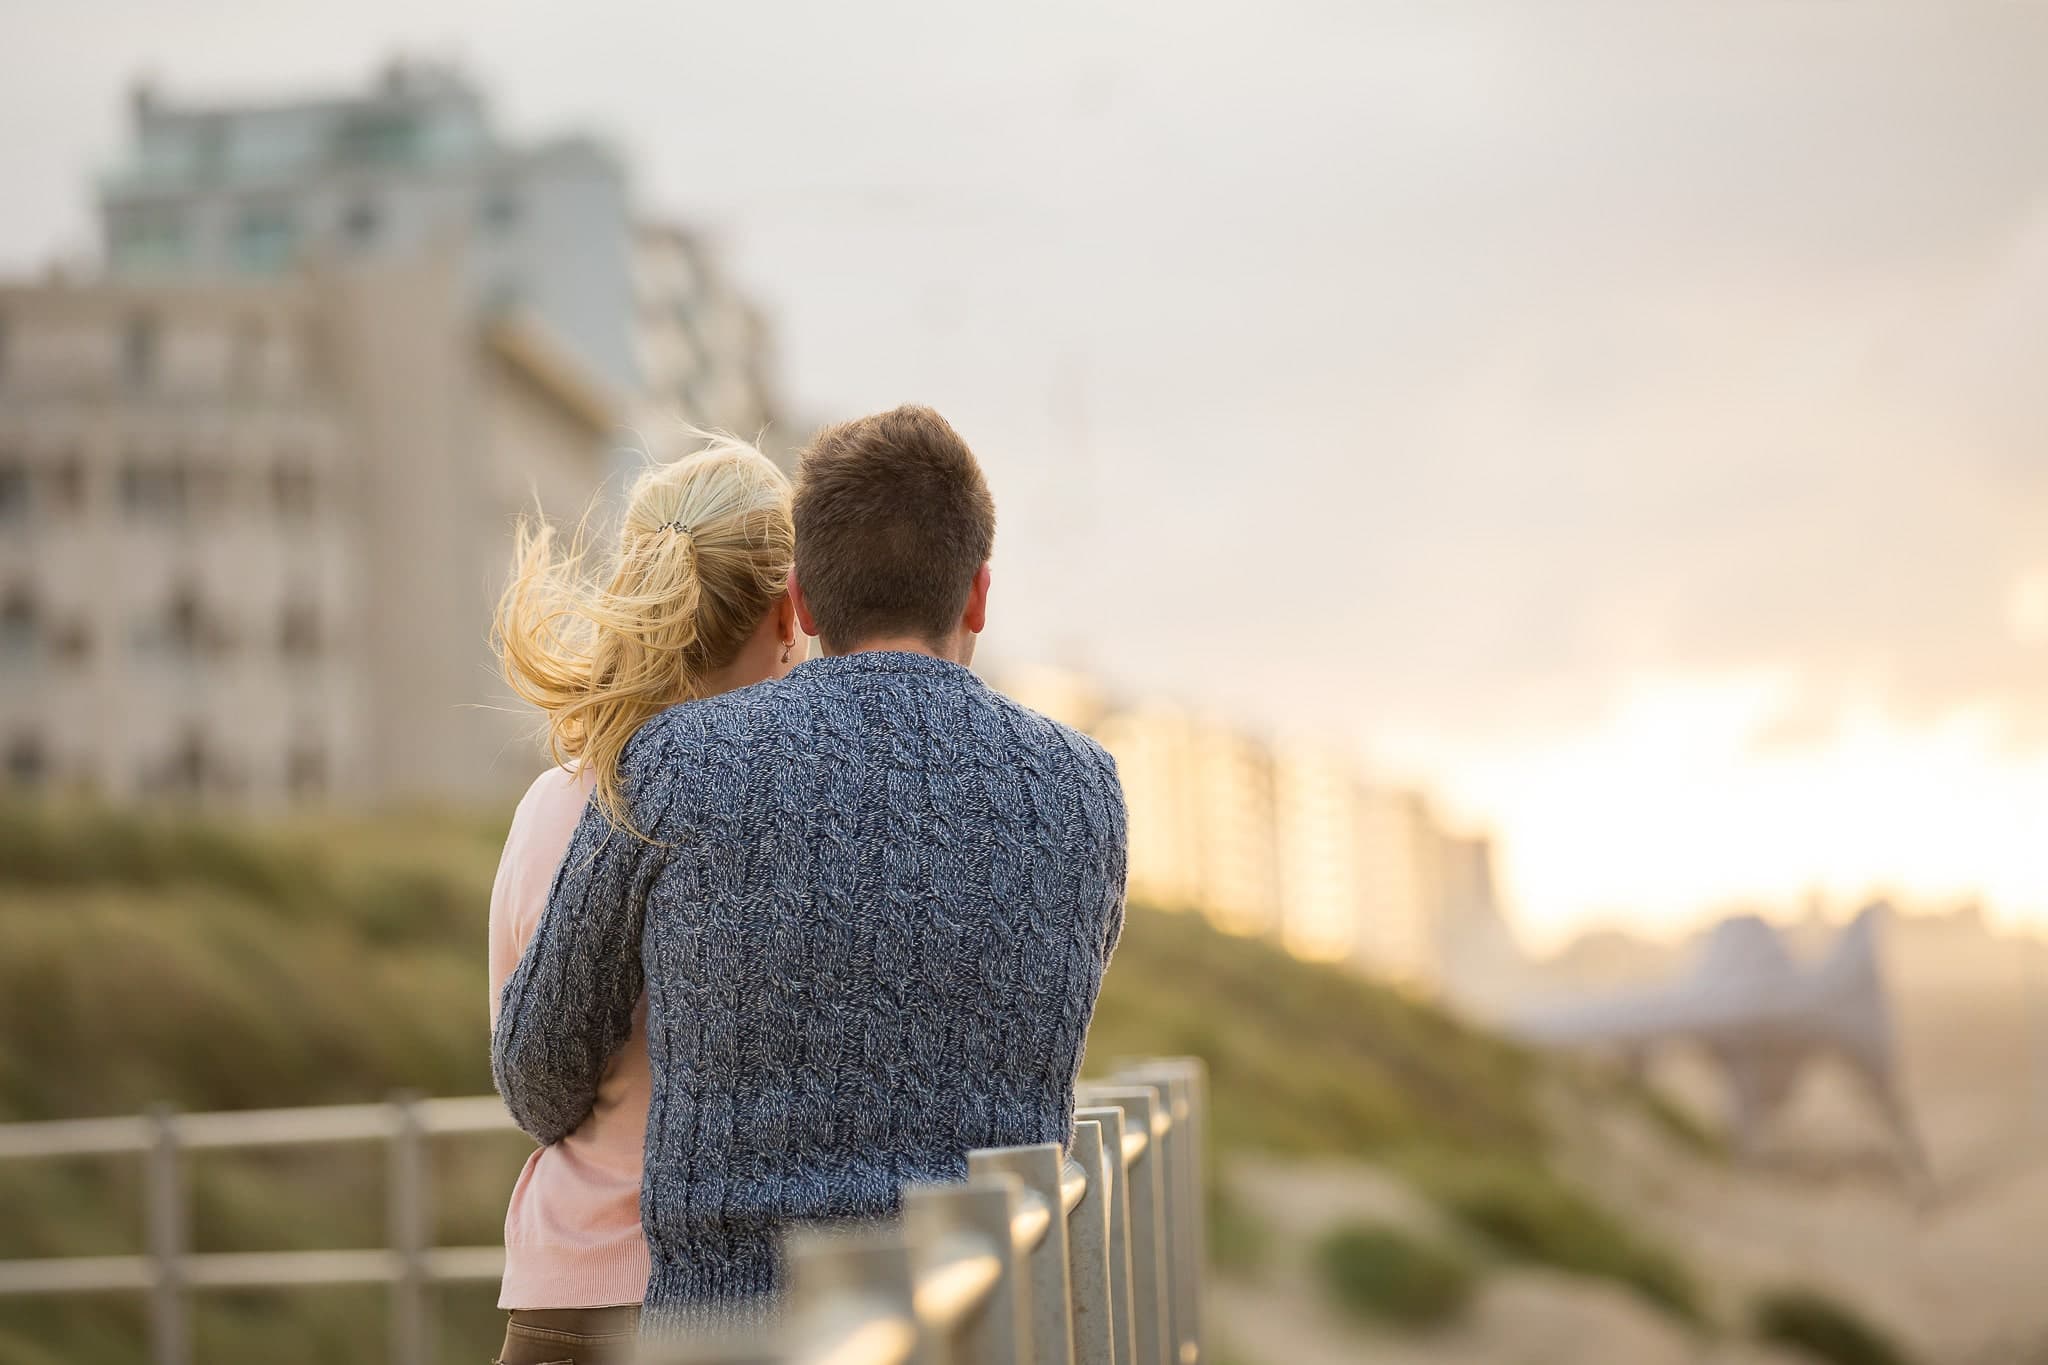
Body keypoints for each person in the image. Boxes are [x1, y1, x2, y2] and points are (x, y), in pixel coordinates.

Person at [493, 404, 1129, 1335]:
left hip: (724, 1330)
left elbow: (541, 1070)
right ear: (979, 594)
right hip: (984, 1323)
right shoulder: (1086, 788)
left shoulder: (674, 762)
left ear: (803, 598)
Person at [486, 433, 799, 1364]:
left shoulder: (552, 806)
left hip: (559, 1299)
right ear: (789, 612)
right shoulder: (785, 814)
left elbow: (532, 1085)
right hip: (720, 1304)